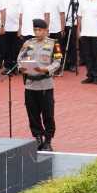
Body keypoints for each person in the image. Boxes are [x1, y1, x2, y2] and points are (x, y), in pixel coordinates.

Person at [18, 18, 59, 151]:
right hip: (30, 84)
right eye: (35, 30)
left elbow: (58, 62)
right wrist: (21, 68)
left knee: (48, 115)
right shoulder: (28, 43)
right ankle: (38, 137)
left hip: (45, 85)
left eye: (40, 30)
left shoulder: (54, 44)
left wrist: (46, 69)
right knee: (32, 114)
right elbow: (20, 58)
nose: (37, 32)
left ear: (46, 31)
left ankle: (48, 140)